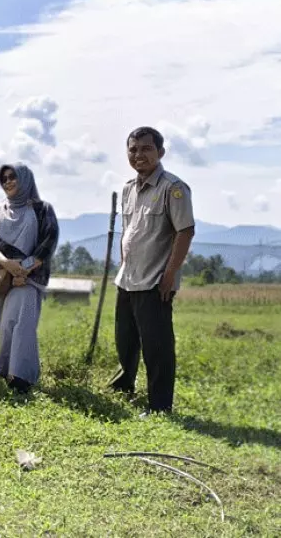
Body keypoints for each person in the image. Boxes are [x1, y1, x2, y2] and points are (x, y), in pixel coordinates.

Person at [108, 127, 195, 416]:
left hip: (154, 281)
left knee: (157, 348)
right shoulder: (128, 189)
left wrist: (169, 276)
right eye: (133, 149)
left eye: (146, 148)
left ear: (160, 152)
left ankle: (160, 406)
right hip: (128, 279)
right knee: (125, 339)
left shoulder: (173, 188)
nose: (138, 155)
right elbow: (129, 231)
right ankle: (124, 387)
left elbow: (185, 232)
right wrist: (123, 264)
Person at [0, 164, 59, 394]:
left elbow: (48, 243)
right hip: (3, 278)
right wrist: (7, 266)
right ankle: (8, 372)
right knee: (5, 327)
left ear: (25, 179)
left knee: (20, 325)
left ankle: (22, 379)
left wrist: (23, 270)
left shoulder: (42, 209)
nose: (8, 182)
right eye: (3, 178)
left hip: (28, 279)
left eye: (12, 177)